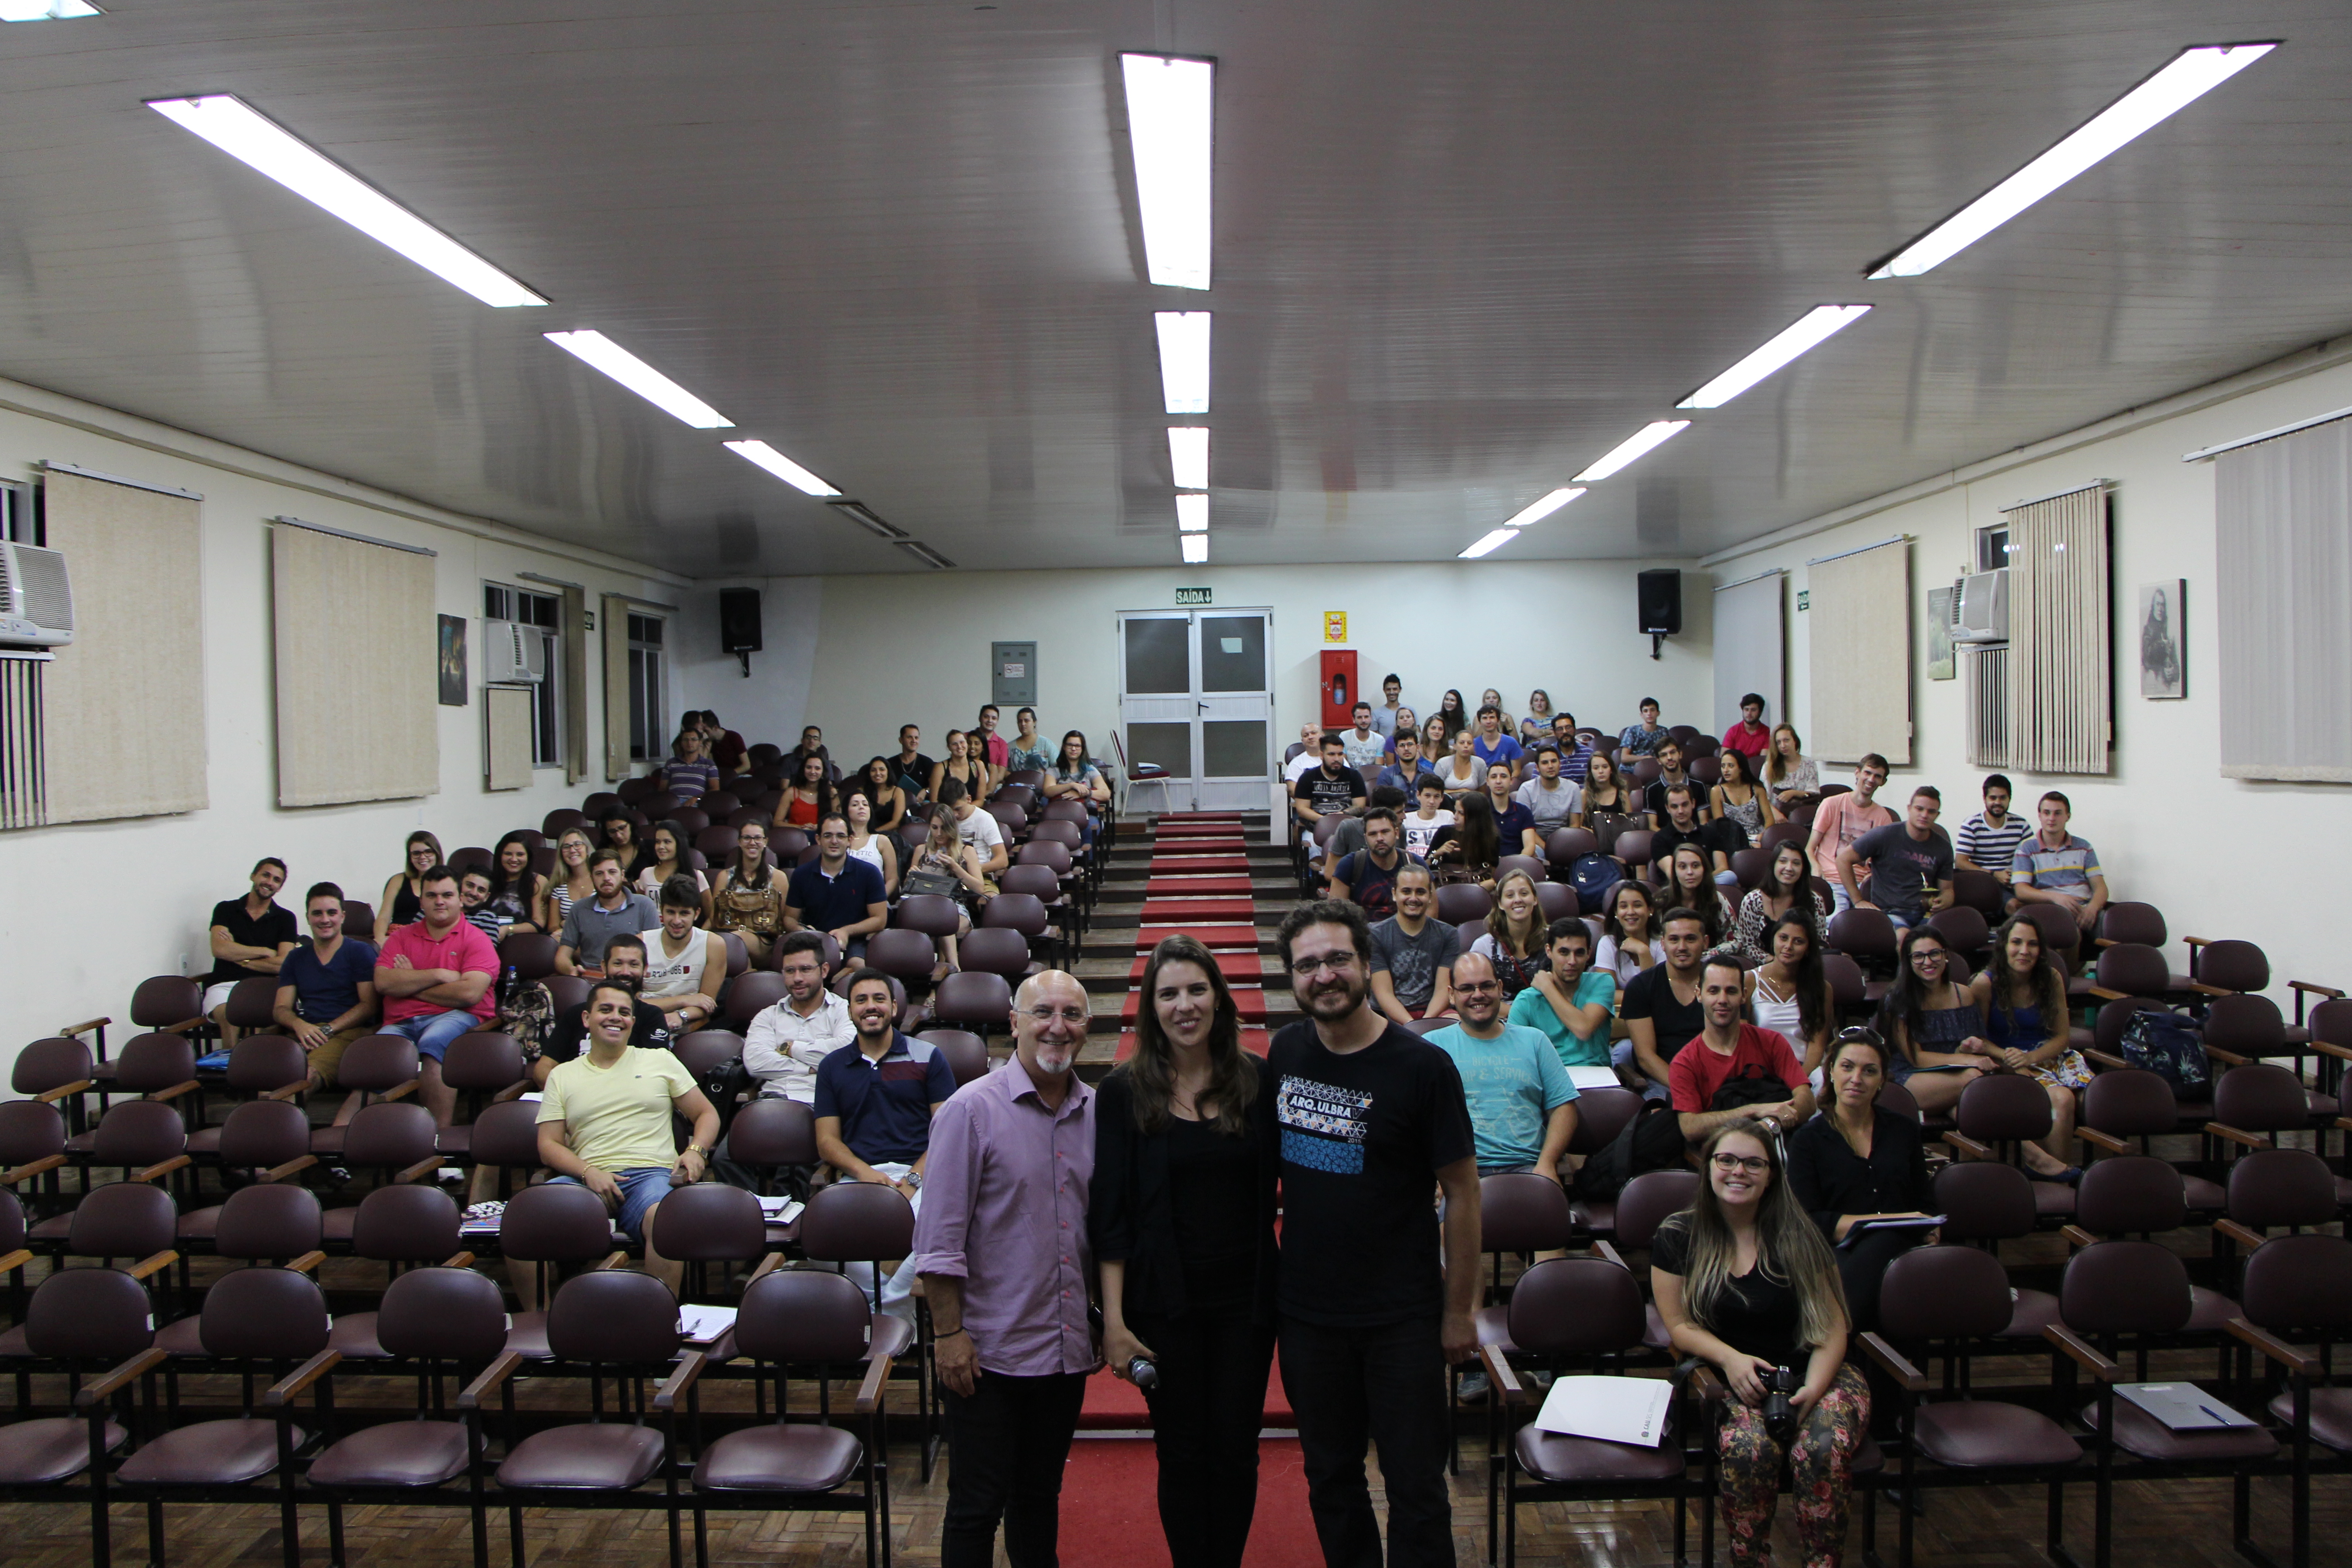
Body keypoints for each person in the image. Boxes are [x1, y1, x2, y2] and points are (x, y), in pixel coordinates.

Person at [1268, 900, 1478, 1568]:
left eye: (1337, 959)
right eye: (1307, 965)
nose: (1324, 975)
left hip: (1402, 1317)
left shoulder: (1422, 1067)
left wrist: (1459, 1312)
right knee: (1331, 1480)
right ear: (1292, 977)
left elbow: (1464, 1192)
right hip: (1309, 1316)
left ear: (1366, 964)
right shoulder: (1285, 1051)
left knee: (1417, 1489)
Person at [1093, 936, 1281, 1568]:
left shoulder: (1256, 1080)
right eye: (1169, 993)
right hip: (1162, 1305)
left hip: (1245, 1306)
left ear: (1219, 998)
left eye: (1197, 990)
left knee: (1236, 1451)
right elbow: (1111, 1216)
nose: (1185, 1006)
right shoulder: (1122, 1091)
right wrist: (1115, 1323)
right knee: (1181, 1452)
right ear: (1151, 1006)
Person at [912, 971, 1098, 1568]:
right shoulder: (970, 1111)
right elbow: (938, 1242)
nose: (1057, 1026)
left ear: (1087, 1028)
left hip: (1064, 1349)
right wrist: (948, 1334)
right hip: (986, 1354)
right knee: (976, 1506)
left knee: (1039, 1497)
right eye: (1043, 1012)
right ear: (1014, 1022)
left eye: (1072, 1014)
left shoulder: (1097, 1112)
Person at [1652, 1119, 1869, 1568]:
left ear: (1771, 1174)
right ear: (1708, 1167)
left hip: (1818, 1374)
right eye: (1727, 1160)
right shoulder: (1678, 1234)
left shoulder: (1800, 1233)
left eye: (1754, 1163)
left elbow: (1833, 1330)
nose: (1739, 1172)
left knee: (1821, 1448)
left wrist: (1813, 1391)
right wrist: (1730, 1360)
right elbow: (1679, 1325)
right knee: (1750, 1449)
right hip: (1736, 1380)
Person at [535, 980, 721, 1296]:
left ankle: (661, 1318)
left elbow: (707, 1114)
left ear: (633, 1021)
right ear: (586, 1018)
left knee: (663, 1219)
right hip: (585, 1177)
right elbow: (548, 1144)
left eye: (624, 1012)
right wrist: (589, 1172)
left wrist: (696, 1150)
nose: (615, 1018)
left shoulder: (659, 1060)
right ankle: (537, 1318)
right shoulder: (562, 1075)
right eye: (606, 1010)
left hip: (651, 1176)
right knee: (524, 1216)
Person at [814, 970, 959, 1317]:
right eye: (861, 1000)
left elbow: (949, 1133)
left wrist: (912, 1181)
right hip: (860, 1178)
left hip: (922, 1176)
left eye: (879, 999)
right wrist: (865, 1174)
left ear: (894, 1007)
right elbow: (827, 1142)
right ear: (850, 1011)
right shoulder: (832, 1066)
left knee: (940, 1231)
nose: (871, 1007)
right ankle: (896, 1311)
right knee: (819, 1236)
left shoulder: (928, 1056)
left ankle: (877, 1318)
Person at [1788, 1029, 1938, 1333]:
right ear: (1831, 1072)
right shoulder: (1807, 1140)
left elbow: (1925, 1203)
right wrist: (1881, 1223)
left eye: (1869, 1071)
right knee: (1880, 1247)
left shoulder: (1904, 1131)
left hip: (1902, 1248)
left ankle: (1840, 1338)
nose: (1857, 1079)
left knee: (1889, 1248)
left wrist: (1930, 1230)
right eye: (1848, 1067)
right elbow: (1807, 1220)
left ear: (1882, 1080)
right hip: (1835, 1251)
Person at [1428, 952, 1578, 1184]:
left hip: (1529, 1168)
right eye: (1466, 988)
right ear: (1451, 995)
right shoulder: (1432, 1047)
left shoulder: (1535, 1040)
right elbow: (1416, 1118)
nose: (1478, 995)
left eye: (1486, 986)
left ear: (1500, 988)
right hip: (1459, 1174)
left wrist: (1547, 1164)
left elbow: (1563, 1108)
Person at [374, 864, 500, 1127]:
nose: (439, 901)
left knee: (434, 1043)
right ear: (421, 901)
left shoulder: (477, 940)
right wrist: (439, 975)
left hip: (458, 1017)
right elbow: (384, 983)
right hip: (400, 1022)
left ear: (460, 899)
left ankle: (436, 1138)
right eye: (431, 895)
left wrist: (411, 982)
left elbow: (469, 993)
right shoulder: (401, 937)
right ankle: (357, 1139)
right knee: (377, 1054)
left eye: (447, 895)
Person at [1964, 914, 2089, 1175]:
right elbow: (1977, 1041)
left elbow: (2062, 1037)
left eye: (2032, 944)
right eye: (2017, 942)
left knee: (2098, 1100)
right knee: (2062, 1099)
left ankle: (2067, 1176)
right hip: (2002, 1061)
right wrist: (2013, 1059)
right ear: (2004, 946)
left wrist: (2031, 1058)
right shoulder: (1985, 983)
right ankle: (2057, 1173)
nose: (2025, 951)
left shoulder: (2051, 978)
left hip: (2045, 1056)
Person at [1671, 954, 1815, 1143]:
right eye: (1714, 991)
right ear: (1699, 994)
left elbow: (1807, 1101)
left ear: (1744, 996)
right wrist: (1754, 1111)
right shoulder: (1685, 1062)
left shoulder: (1772, 1042)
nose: (1722, 999)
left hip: (1778, 1144)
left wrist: (1770, 1123)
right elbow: (1690, 1127)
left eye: (1731, 991)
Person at [1873, 925, 2000, 1126]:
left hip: (1955, 1073)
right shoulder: (1897, 1000)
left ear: (1945, 955)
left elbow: (1972, 1043)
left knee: (1971, 1111)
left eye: (1934, 954)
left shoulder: (1964, 994)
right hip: (1911, 1075)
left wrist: (1968, 1049)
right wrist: (1967, 1060)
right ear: (1909, 961)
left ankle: (1964, 1137)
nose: (1928, 962)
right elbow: (1917, 1058)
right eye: (1918, 956)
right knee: (1975, 1082)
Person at [272, 882, 379, 1105]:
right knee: (266, 1073)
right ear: (308, 917)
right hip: (306, 1031)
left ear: (343, 916)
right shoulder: (295, 958)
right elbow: (281, 1008)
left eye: (332, 913)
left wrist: (328, 1029)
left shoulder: (360, 952)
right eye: (317, 913)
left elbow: (369, 1005)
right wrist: (300, 1026)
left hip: (347, 1033)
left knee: (307, 1077)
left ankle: (276, 1121)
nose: (325, 920)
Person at [534, 934, 669, 1080]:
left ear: (645, 969)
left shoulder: (652, 1016)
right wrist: (563, 1090)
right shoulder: (575, 1013)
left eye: (634, 965)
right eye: (618, 964)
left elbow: (655, 1070)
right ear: (604, 966)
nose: (625, 972)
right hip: (572, 1089)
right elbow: (544, 1067)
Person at [742, 930, 855, 1102]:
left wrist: (791, 1049)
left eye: (805, 970)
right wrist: (810, 1068)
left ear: (824, 970)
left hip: (830, 1101)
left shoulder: (844, 1010)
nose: (797, 978)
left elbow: (846, 1055)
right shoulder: (768, 1016)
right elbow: (755, 1062)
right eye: (790, 971)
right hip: (775, 1101)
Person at [203, 857, 298, 1045]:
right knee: (229, 1017)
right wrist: (266, 951)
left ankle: (250, 1062)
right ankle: (230, 1062)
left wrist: (241, 958)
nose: (269, 882)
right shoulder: (225, 909)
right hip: (224, 985)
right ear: (253, 876)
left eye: (276, 880)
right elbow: (220, 949)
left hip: (265, 987)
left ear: (279, 888)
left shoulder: (286, 918)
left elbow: (283, 964)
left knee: (256, 1027)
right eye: (266, 875)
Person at [1622, 909, 1713, 1102]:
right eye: (1674, 940)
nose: (1682, 947)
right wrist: (1688, 1088)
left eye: (1690, 939)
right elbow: (1646, 1057)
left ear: (1705, 942)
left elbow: (1737, 1041)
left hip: (1716, 1077)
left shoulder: (1721, 983)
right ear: (1663, 944)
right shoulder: (1641, 986)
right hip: (1664, 1081)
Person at [1508, 917, 1617, 1072]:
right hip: (1549, 1077)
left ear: (1589, 953)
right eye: (1564, 952)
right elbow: (1516, 1058)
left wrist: (1548, 988)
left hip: (1597, 1075)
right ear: (1549, 951)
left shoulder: (1601, 983)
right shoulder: (1527, 1000)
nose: (1572, 961)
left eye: (1579, 953)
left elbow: (1583, 1029)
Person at [1837, 785, 1954, 928]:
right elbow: (1843, 860)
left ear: (1937, 815)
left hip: (1926, 915)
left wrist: (1945, 900)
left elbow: (1947, 890)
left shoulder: (1943, 847)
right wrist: (1858, 901)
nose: (1925, 815)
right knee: (1903, 936)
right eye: (1920, 809)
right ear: (1909, 809)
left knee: (1938, 936)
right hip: (1890, 913)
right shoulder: (1885, 835)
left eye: (1931, 812)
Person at [785, 812, 890, 961]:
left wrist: (847, 931)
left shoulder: (870, 873)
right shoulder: (801, 874)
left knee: (857, 965)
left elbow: (880, 919)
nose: (834, 841)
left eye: (841, 836)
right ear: (818, 839)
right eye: (828, 836)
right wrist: (802, 930)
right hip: (813, 941)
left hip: (855, 940)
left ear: (850, 840)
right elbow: (790, 918)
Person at [1747, 914, 1835, 1087]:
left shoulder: (1822, 988)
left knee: (1823, 1082)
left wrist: (1798, 1081)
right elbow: (1744, 1040)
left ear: (1808, 948)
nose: (1788, 946)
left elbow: (1817, 1046)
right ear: (1774, 939)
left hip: (1806, 1070)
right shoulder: (1749, 981)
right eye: (1783, 938)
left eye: (1798, 941)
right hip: (1763, 1070)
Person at [1367, 862, 1459, 1023]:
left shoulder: (1448, 934)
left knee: (1455, 1019)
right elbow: (1384, 993)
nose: (1413, 898)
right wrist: (1411, 1026)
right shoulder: (1376, 935)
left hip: (1434, 1011)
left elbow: (1443, 991)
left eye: (1421, 892)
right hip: (1389, 1015)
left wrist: (1425, 1024)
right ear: (1395, 894)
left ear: (1430, 896)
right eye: (1406, 891)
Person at [2009, 791, 2109, 933]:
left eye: (2058, 813)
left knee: (2114, 925)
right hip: (2050, 911)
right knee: (2067, 930)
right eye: (2047, 813)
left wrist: (2092, 908)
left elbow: (2101, 888)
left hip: (2084, 910)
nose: (2052, 818)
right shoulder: (2026, 848)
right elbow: (2021, 891)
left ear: (2068, 816)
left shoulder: (2084, 847)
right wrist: (2056, 898)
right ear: (2040, 816)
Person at [1806, 754, 1896, 911]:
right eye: (1867, 773)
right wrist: (1816, 867)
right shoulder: (1831, 804)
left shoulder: (1883, 817)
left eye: (1877, 776)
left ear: (1883, 782)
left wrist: (1874, 876)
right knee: (1839, 919)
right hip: (1831, 881)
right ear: (1857, 773)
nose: (1871, 779)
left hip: (1863, 886)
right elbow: (1810, 848)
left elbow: (1885, 862)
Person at [638, 876, 724, 1033]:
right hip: (643, 1020)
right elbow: (630, 1004)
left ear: (696, 914)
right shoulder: (641, 943)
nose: (677, 921)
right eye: (671, 912)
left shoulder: (713, 945)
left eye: (684, 913)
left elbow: (707, 1003)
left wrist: (680, 1015)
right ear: (662, 910)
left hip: (689, 1024)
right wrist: (684, 1000)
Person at [555, 851, 658, 977]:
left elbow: (656, 953)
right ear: (591, 877)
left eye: (612, 872)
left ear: (622, 875)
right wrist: (571, 970)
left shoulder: (645, 906)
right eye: (599, 874)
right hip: (591, 976)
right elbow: (562, 957)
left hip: (629, 976)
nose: (606, 878)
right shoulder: (579, 908)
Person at [1730, 841, 1830, 964]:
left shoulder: (1815, 901)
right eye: (1783, 861)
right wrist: (1776, 963)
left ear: (1804, 868)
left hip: (1804, 966)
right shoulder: (1752, 901)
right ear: (1773, 865)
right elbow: (1747, 946)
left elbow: (1820, 943)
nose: (1789, 868)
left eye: (1796, 863)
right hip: (1765, 966)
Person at [710, 821, 790, 965]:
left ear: (765, 842)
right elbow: (713, 918)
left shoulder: (778, 878)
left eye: (758, 838)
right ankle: (748, 974)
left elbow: (785, 918)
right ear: (739, 842)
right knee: (731, 945)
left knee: (735, 941)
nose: (752, 843)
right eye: (747, 838)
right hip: (729, 937)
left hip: (765, 941)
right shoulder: (724, 877)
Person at [1470, 868, 1548, 999]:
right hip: (1501, 1011)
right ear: (1500, 903)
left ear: (1535, 899)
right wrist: (1519, 1012)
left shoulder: (1554, 940)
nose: (1518, 900)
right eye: (1510, 896)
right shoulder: (1484, 947)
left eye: (1524, 894)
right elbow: (1477, 996)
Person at [1952, 773, 2026, 891]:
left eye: (2003, 798)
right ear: (1985, 799)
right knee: (2013, 902)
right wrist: (1993, 874)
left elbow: (2032, 858)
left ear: (2010, 799)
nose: (1998, 802)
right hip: (1983, 884)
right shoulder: (1972, 824)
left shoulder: (2021, 824)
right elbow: (1960, 862)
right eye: (1993, 798)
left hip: (2014, 883)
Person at [1330, 806, 1406, 919]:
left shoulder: (1412, 862)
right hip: (1362, 928)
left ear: (1397, 833)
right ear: (1365, 838)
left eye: (1385, 832)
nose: (1380, 838)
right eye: (1373, 834)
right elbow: (1336, 914)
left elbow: (1430, 909)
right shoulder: (1349, 864)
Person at [1292, 734, 1367, 846]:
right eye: (1332, 754)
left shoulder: (1354, 776)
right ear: (1322, 755)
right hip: (1316, 827)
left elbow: (1359, 806)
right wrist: (1326, 821)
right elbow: (1302, 809)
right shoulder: (1308, 777)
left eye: (1340, 754)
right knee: (1313, 848)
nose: (1337, 759)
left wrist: (1341, 816)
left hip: (1348, 827)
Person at [1651, 783, 1740, 879]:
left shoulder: (1711, 833)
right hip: (1677, 886)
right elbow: (1673, 874)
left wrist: (1704, 883)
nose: (1681, 811)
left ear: (1693, 803)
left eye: (1685, 805)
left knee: (1729, 877)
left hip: (1710, 883)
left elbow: (1722, 868)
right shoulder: (1659, 839)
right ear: (1668, 808)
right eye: (1675, 807)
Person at [635, 818, 712, 921]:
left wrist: (699, 931)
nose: (661, 847)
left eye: (667, 842)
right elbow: (638, 910)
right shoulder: (646, 873)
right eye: (658, 842)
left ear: (679, 843)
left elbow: (711, 916)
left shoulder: (697, 876)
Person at [1661, 842, 1734, 949]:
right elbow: (1656, 941)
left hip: (1710, 957)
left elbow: (1735, 941)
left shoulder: (1718, 899)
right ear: (1674, 871)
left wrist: (1704, 955)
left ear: (1704, 869)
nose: (1690, 872)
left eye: (1696, 866)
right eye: (1683, 867)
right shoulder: (1662, 900)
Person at [1426, 791, 1502, 891]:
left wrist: (1482, 888)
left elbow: (1492, 872)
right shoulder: (1444, 833)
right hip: (1446, 888)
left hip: (1477, 890)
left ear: (1476, 817)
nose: (1455, 817)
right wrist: (1437, 854)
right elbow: (1424, 867)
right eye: (1455, 811)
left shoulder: (1491, 838)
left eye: (1461, 813)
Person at [1710, 746, 1778, 848]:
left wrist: (1763, 836)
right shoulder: (1717, 791)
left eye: (1731, 766)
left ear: (1741, 768)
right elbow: (1720, 825)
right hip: (1732, 840)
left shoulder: (1758, 789)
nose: (1726, 770)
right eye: (1723, 766)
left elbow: (1769, 818)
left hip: (1757, 837)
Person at [1595, 880, 1660, 986]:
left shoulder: (1662, 944)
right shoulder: (1607, 943)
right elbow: (1606, 991)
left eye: (1637, 906)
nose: (1631, 912)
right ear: (1616, 912)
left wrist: (1643, 952)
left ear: (1650, 910)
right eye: (1624, 907)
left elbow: (1655, 991)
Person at [1577, 750, 1643, 853]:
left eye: (1605, 767)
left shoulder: (1622, 795)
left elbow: (1630, 826)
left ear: (1611, 770)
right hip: (1593, 845)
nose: (1601, 771)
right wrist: (1598, 835)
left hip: (1618, 844)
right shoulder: (1584, 795)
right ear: (1590, 772)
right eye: (1596, 768)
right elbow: (1578, 826)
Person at [945, 779, 1011, 879]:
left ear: (969, 799)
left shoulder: (985, 819)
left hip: (979, 875)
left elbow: (1003, 860)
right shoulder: (942, 819)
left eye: (958, 809)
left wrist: (973, 870)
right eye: (950, 811)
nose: (955, 815)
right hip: (946, 876)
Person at [379, 830, 444, 932]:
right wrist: (380, 939)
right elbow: (384, 917)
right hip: (397, 934)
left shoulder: (448, 882)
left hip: (430, 935)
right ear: (410, 857)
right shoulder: (398, 880)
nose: (422, 857)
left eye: (428, 852)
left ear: (437, 854)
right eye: (416, 853)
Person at [484, 832, 548, 935]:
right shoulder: (488, 880)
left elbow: (539, 923)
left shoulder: (538, 881)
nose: (514, 859)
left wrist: (508, 929)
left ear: (528, 857)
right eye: (508, 854)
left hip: (522, 940)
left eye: (520, 855)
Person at [1514, 742, 1583, 838]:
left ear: (1560, 764)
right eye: (1545, 763)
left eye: (1554, 761)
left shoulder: (1573, 788)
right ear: (1537, 768)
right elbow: (1525, 827)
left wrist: (1560, 845)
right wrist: (1545, 846)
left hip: (1564, 838)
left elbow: (1575, 825)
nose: (1550, 766)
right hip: (1534, 839)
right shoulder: (1526, 789)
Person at [843, 789, 901, 897]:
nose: (861, 807)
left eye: (865, 804)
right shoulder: (840, 841)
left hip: (876, 899)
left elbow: (892, 879)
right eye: (855, 805)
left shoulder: (882, 841)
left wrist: (879, 899)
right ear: (846, 811)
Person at [1044, 730, 1111, 820]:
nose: (1074, 749)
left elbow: (1106, 794)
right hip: (1060, 814)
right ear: (1064, 747)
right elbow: (1047, 791)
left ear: (1082, 749)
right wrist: (1072, 785)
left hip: (1086, 814)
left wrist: (1084, 794)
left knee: (1092, 825)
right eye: (1070, 745)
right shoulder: (1054, 769)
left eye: (1078, 746)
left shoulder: (1090, 770)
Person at [1483, 763, 1542, 859]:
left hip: (1517, 863)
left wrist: (1517, 862)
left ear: (1511, 780)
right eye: (1494, 777)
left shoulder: (1523, 812)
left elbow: (1530, 846)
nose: (1498, 781)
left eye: (1504, 777)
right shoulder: (1480, 811)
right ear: (1487, 781)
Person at [1642, 738, 1706, 828]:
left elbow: (1704, 823)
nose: (1669, 758)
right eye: (1664, 755)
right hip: (1665, 836)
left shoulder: (1699, 785)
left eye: (1673, 753)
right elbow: (1653, 826)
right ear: (1659, 760)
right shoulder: (1650, 789)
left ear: (1680, 754)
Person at [543, 828, 596, 930]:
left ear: (587, 849)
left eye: (578, 844)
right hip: (569, 938)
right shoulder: (559, 887)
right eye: (566, 847)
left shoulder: (601, 879)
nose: (572, 850)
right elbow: (553, 927)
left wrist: (567, 923)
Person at [1762, 723, 1820, 812]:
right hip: (1776, 812)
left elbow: (1813, 793)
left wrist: (1794, 793)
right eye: (1779, 743)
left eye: (1786, 740)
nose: (1783, 746)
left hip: (1802, 811)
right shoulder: (1769, 766)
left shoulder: (1809, 763)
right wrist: (1775, 814)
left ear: (1795, 741)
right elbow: (1764, 799)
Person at [775, 751, 837, 832]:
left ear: (823, 772)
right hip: (796, 836)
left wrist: (820, 827)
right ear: (803, 770)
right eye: (809, 768)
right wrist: (801, 827)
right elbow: (777, 823)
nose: (813, 772)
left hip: (822, 836)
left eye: (817, 768)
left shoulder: (832, 792)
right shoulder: (791, 792)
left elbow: (838, 822)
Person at [931, 729, 993, 808]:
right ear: (949, 747)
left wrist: (963, 810)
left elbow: (980, 801)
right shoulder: (940, 768)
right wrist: (954, 811)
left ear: (967, 743)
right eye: (955, 744)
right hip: (948, 813)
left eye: (962, 742)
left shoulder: (978, 766)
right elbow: (934, 801)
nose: (959, 747)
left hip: (972, 811)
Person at [851, 755, 909, 834]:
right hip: (863, 833)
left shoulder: (898, 792)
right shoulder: (861, 791)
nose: (878, 773)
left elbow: (896, 822)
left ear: (888, 772)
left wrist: (873, 834)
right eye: (873, 770)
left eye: (882, 770)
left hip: (888, 835)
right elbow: (854, 818)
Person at [1400, 776, 1454, 861]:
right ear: (1418, 795)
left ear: (1442, 798)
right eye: (1427, 796)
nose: (1432, 801)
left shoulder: (1448, 816)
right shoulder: (1406, 819)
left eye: (1437, 797)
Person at [1376, 730, 1439, 800]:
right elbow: (1382, 803)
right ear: (1396, 751)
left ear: (1418, 748)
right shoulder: (1386, 775)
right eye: (1402, 745)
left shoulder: (1428, 774)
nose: (1406, 749)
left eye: (1410, 744)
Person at [1469, 704, 1525, 782]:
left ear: (1498, 721)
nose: (1489, 721)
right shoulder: (1473, 745)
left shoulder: (1511, 742)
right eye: (1485, 718)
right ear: (1480, 723)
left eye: (1492, 717)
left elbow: (1517, 771)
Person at [1432, 728, 1487, 804]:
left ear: (1473, 746)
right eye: (1462, 743)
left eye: (1469, 743)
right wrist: (1462, 791)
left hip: (1472, 804)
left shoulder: (1480, 763)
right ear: (1455, 746)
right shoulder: (1443, 763)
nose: (1466, 746)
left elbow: (1483, 793)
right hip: (1447, 803)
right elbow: (1435, 791)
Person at [662, 726, 719, 797]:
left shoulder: (708, 764)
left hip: (696, 802)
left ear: (700, 742)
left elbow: (715, 789)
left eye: (694, 740)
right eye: (686, 740)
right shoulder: (671, 763)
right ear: (681, 743)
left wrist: (697, 799)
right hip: (674, 801)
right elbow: (662, 790)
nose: (689, 743)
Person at [457, 868, 509, 941]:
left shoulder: (488, 918)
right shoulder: (445, 911)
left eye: (481, 890)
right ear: (459, 885)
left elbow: (487, 949)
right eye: (470, 886)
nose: (474, 893)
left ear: (486, 897)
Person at [598, 809, 649, 882]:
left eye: (622, 828)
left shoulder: (649, 847)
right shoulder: (603, 848)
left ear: (631, 825)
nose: (618, 836)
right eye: (612, 832)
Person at [1721, 693, 1773, 764]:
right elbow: (1725, 759)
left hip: (1756, 768)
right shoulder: (1733, 731)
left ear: (1760, 712)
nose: (1749, 713)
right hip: (1737, 768)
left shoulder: (1767, 732)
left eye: (1753, 710)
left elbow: (1763, 760)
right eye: (1746, 709)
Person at [892, 724, 937, 802]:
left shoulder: (927, 762)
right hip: (896, 803)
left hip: (923, 805)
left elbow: (936, 786)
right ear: (901, 740)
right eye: (910, 737)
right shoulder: (890, 764)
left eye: (916, 738)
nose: (914, 741)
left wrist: (926, 791)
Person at [1004, 707, 1056, 775]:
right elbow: (1003, 770)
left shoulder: (1046, 744)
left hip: (1042, 781)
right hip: (1016, 781)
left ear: (1034, 722)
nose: (1023, 724)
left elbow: (1057, 768)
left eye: (1027, 721)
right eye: (1020, 721)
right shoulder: (1010, 747)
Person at [1340, 702, 1387, 774]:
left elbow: (1378, 768)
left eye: (1366, 717)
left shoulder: (1379, 740)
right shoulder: (1344, 737)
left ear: (1371, 718)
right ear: (1354, 719)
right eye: (1360, 717)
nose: (1364, 721)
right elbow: (1343, 764)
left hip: (1371, 777)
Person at [699, 709, 749, 776]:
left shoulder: (734, 737)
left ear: (715, 728)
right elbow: (710, 764)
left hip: (741, 774)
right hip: (723, 776)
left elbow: (746, 765)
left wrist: (730, 775)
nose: (704, 734)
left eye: (706, 731)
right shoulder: (710, 742)